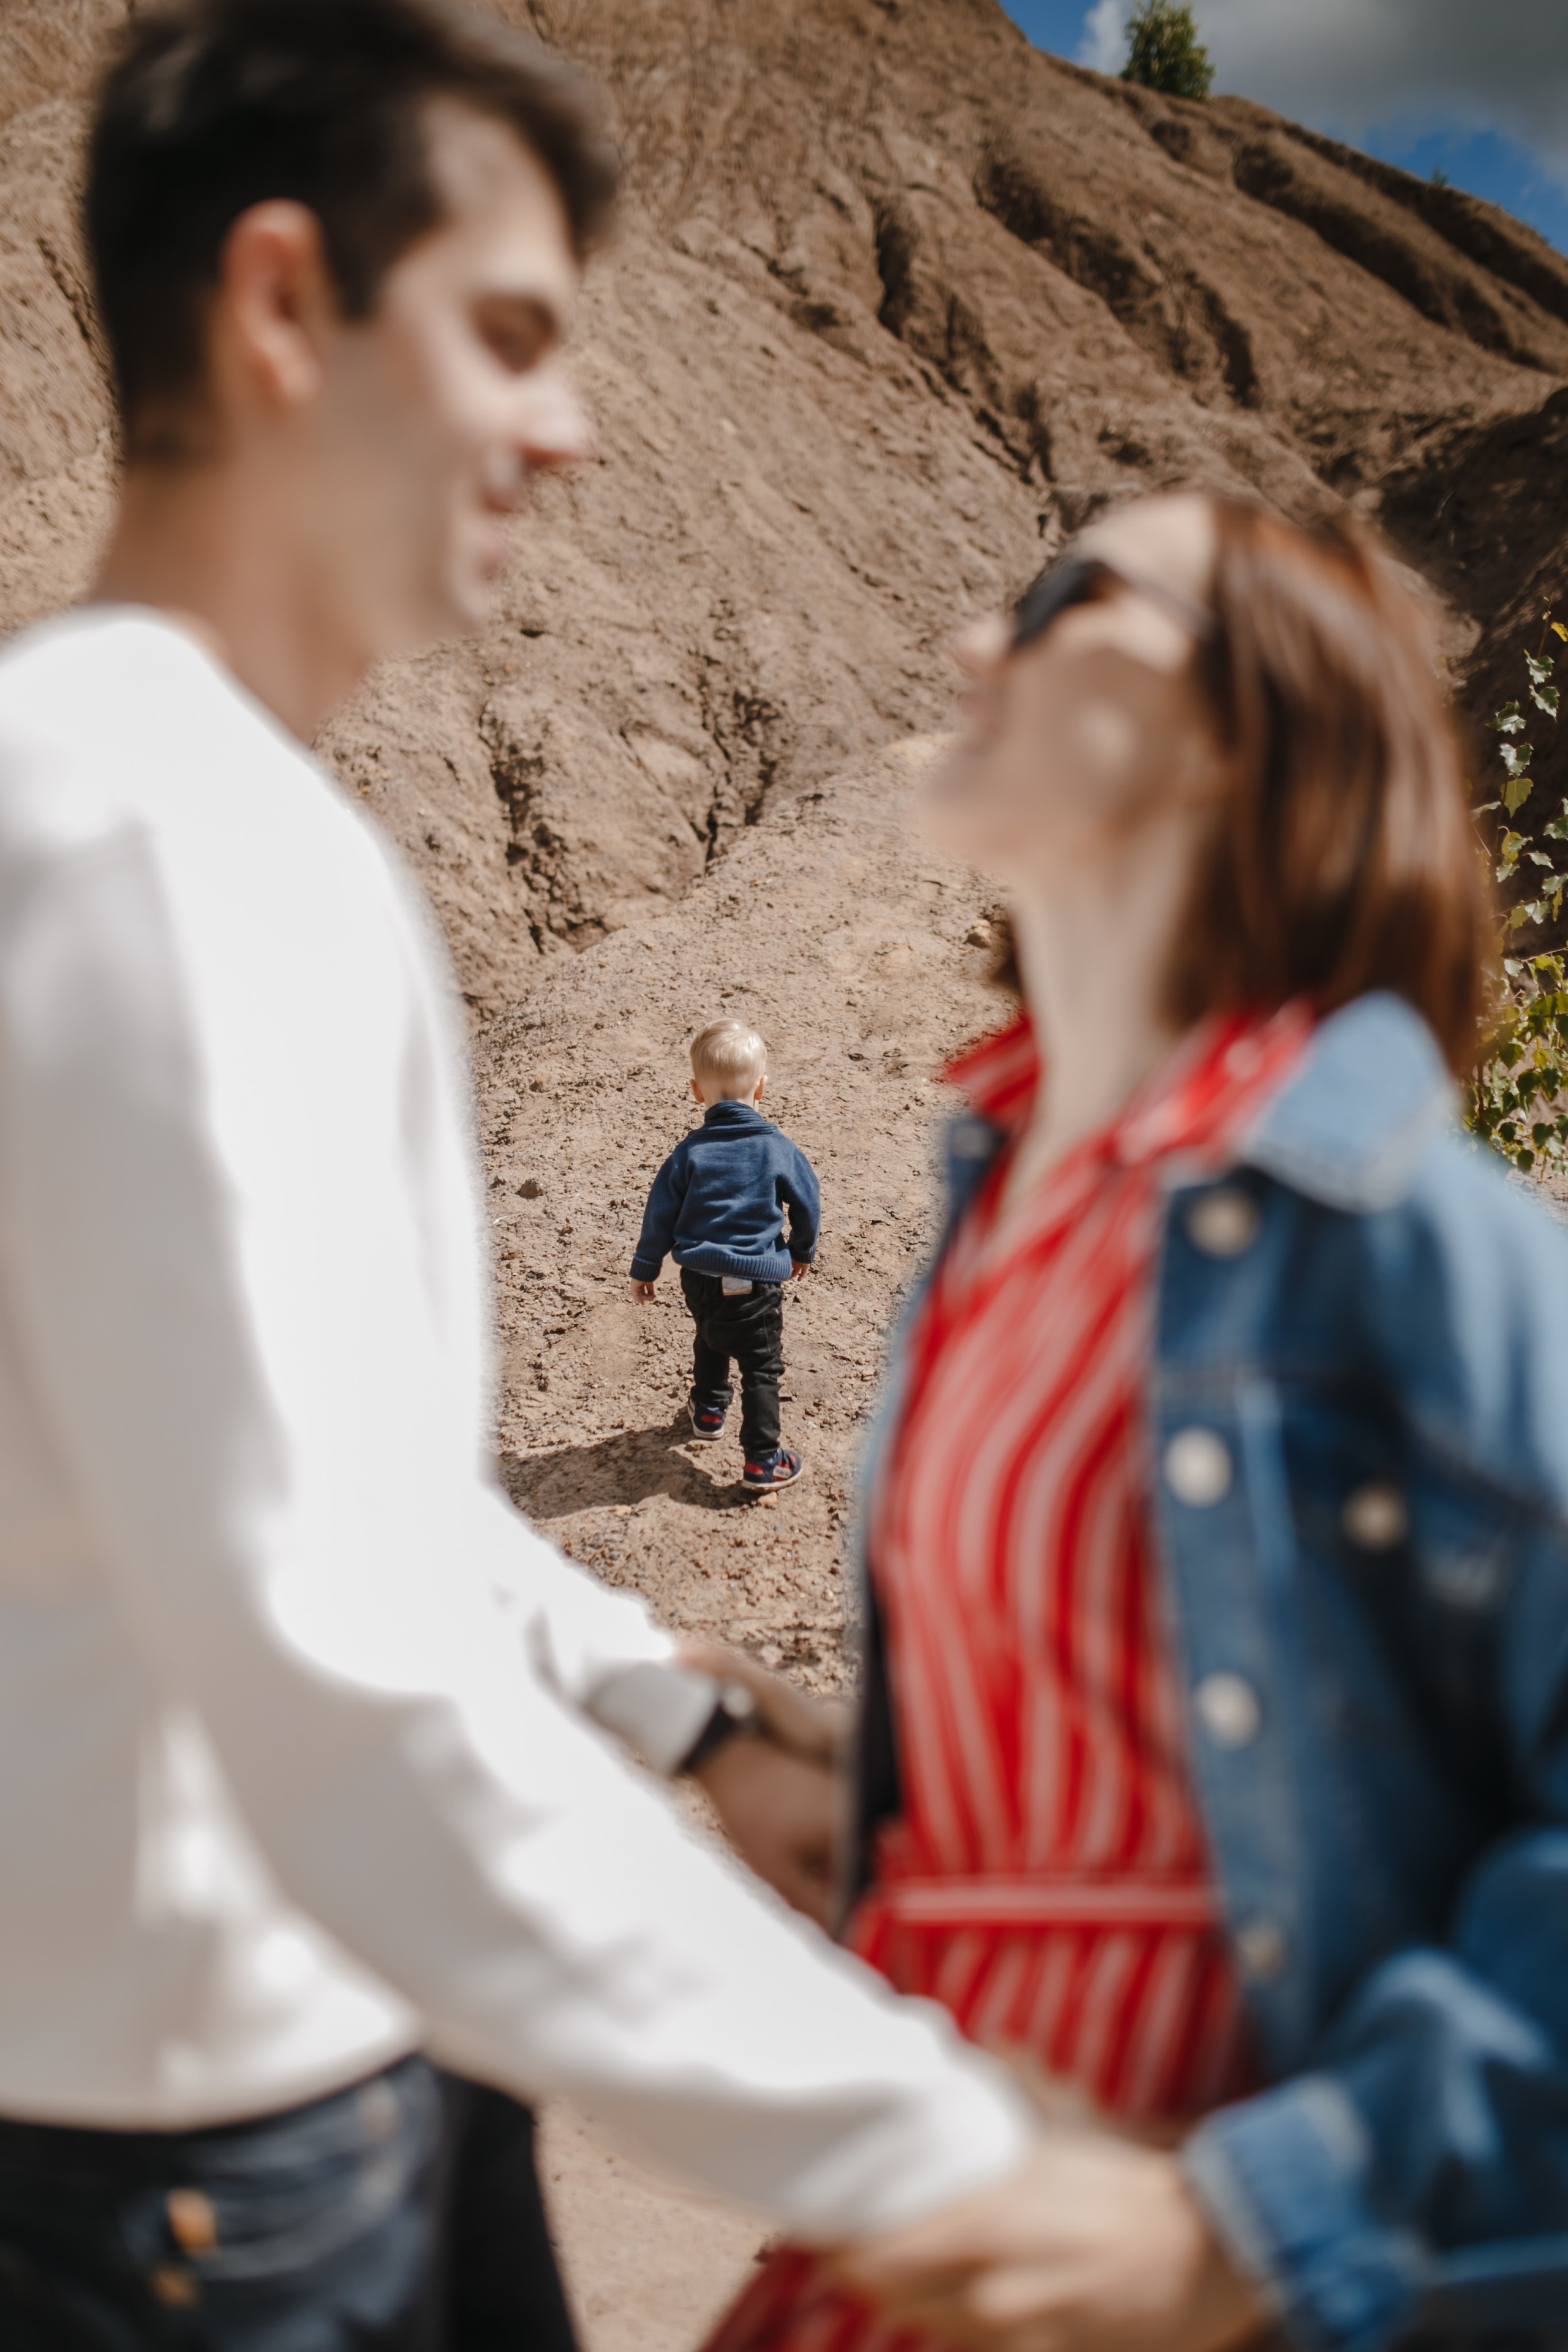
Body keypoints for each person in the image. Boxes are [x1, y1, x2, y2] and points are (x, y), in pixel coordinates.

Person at [0, 3, 1047, 2342]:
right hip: (194, 2168)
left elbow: (343, 1497)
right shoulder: (144, 845)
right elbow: (334, 1670)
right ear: (281, 303)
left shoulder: (249, 832)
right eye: (505, 339)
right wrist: (952, 2166)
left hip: (334, 2073)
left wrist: (669, 1708)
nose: (569, 430)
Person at [694, 493, 1568, 2352]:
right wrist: (846, 1806)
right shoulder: (1001, 1204)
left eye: (1060, 602)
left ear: (1246, 725)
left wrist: (1245, 2225)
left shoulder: (1405, 1236)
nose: (968, 652)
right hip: (920, 2234)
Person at [630, 1019, 818, 1491]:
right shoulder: (777, 1148)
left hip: (698, 1274)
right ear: (762, 1087)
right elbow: (807, 1201)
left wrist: (646, 1267)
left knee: (710, 1337)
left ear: (697, 1092)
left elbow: (660, 1214)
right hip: (756, 1280)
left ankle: (710, 1409)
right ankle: (762, 1459)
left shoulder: (688, 1153)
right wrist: (801, 1249)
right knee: (761, 1365)